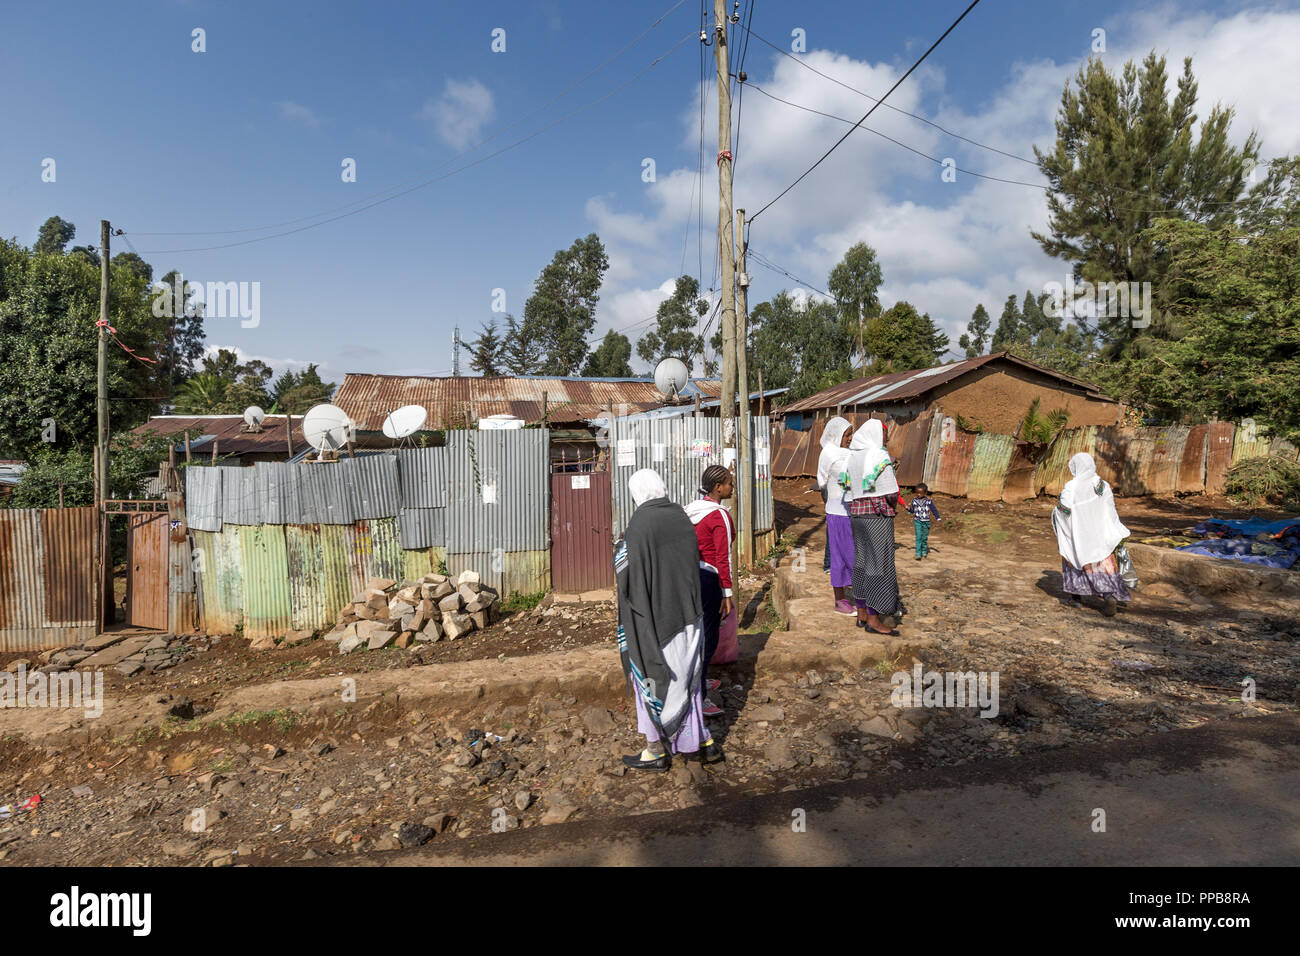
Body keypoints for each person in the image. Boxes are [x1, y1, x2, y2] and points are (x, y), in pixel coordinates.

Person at [616, 468, 723, 770]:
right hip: (690, 616)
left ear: (636, 491)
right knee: (688, 680)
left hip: (657, 621)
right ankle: (702, 740)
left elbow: (630, 575)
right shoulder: (679, 515)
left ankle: (655, 750)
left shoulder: (640, 523)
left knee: (655, 681)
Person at [839, 419, 901, 636]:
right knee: (878, 565)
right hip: (877, 516)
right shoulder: (878, 454)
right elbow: (891, 492)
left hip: (857, 514)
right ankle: (874, 619)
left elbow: (844, 485)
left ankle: (861, 612)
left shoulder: (853, 457)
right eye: (884, 435)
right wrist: (892, 506)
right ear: (875, 435)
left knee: (862, 563)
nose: (887, 438)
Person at [684, 464, 735, 719]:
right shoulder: (718, 515)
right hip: (710, 580)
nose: (731, 486)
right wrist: (727, 593)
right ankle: (699, 698)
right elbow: (723, 557)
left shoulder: (691, 510)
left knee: (695, 635)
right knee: (707, 637)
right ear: (718, 487)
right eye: (729, 483)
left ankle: (699, 681)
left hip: (690, 577)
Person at [1053, 452, 1131, 616]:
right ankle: (1109, 594)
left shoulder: (1071, 487)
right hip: (1099, 534)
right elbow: (1110, 509)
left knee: (1073, 559)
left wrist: (1056, 510)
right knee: (1103, 563)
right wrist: (1111, 529)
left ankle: (1077, 599)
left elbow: (1064, 511)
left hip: (1079, 534)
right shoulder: (1102, 484)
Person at [816, 417, 856, 614]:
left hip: (853, 511)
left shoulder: (851, 453)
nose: (850, 438)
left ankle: (858, 598)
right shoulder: (829, 454)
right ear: (836, 435)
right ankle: (840, 600)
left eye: (850, 434)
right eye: (846, 434)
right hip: (838, 512)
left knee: (854, 556)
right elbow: (822, 481)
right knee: (841, 557)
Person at [905, 483, 941, 560]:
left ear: (925, 493)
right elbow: (912, 510)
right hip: (917, 521)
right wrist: (908, 509)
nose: (918, 494)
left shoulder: (929, 501)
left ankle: (924, 550)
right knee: (918, 537)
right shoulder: (914, 501)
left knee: (924, 537)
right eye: (917, 492)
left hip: (926, 522)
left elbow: (934, 510)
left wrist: (938, 517)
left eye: (920, 493)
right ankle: (918, 553)